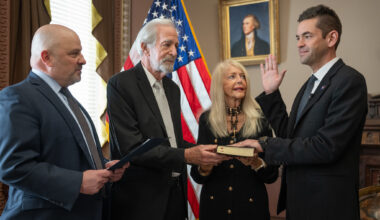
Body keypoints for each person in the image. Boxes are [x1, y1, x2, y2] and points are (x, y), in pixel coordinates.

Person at [236, 5, 368, 220]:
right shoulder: (310, 84)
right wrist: (271, 94)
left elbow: (326, 147)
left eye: (307, 36)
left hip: (329, 207)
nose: (299, 44)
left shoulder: (350, 81)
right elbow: (291, 137)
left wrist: (264, 144)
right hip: (299, 203)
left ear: (331, 38)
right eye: (298, 37)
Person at [0, 24, 128, 220]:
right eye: (74, 54)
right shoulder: (18, 97)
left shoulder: (68, 98)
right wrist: (78, 183)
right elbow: (13, 167)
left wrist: (105, 168)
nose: (83, 60)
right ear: (46, 58)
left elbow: (68, 154)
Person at [107, 18, 229, 220]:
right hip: (140, 201)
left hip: (174, 194)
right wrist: (187, 155)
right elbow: (132, 148)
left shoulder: (172, 89)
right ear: (145, 48)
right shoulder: (121, 84)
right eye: (167, 45)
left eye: (176, 46)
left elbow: (172, 141)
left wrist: (204, 151)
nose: (174, 52)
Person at [190, 59, 278, 220]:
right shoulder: (206, 119)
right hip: (214, 207)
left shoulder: (261, 118)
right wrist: (205, 167)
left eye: (242, 76)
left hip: (251, 208)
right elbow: (197, 176)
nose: (240, 80)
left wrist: (256, 163)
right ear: (219, 84)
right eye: (232, 76)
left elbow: (272, 175)